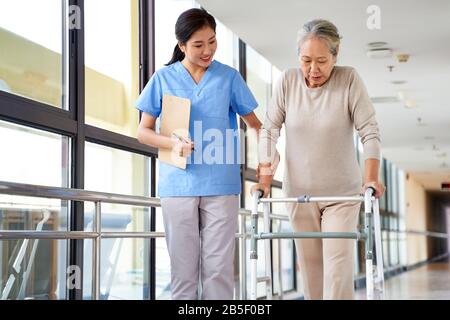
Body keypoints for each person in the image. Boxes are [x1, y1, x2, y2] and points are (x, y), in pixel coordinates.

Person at [251, 19, 385, 300]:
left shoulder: (348, 79)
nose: (313, 70)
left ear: (336, 56)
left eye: (322, 61)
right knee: (312, 272)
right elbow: (269, 131)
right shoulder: (287, 81)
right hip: (299, 195)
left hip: (342, 195)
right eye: (306, 60)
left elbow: (369, 131)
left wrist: (371, 177)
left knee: (337, 268)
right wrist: (264, 180)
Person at [135, 8, 261, 300]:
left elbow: (255, 125)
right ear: (182, 46)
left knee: (218, 270)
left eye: (213, 42)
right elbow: (143, 131)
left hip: (221, 184)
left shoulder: (228, 77)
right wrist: (173, 144)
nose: (208, 51)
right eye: (198, 45)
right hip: (178, 184)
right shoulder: (163, 78)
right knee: (183, 272)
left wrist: (267, 159)